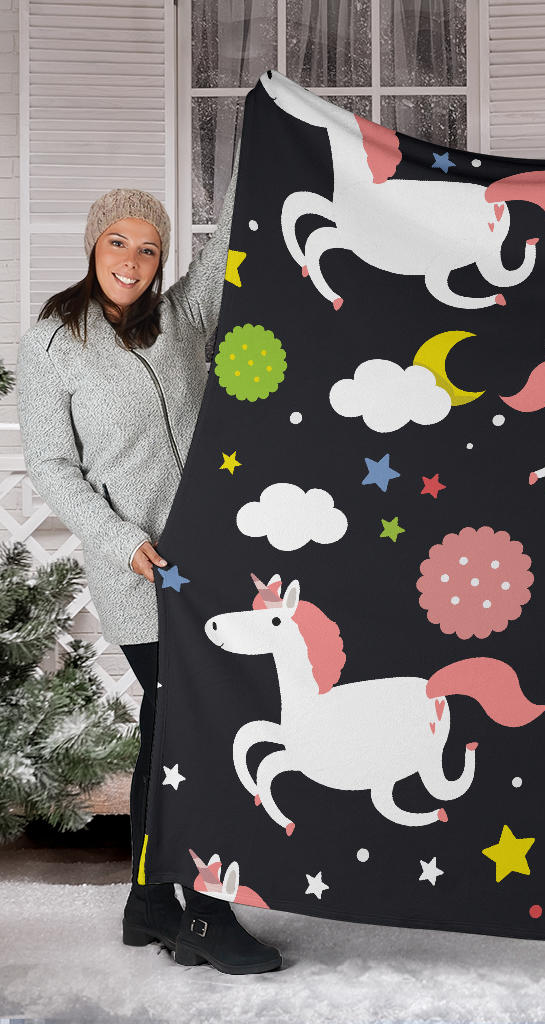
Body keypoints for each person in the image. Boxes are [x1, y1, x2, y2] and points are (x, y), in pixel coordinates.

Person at [16, 146, 284, 975]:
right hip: (139, 569)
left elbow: (230, 240)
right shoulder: (53, 343)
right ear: (93, 246)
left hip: (211, 556)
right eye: (118, 243)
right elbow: (52, 466)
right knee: (191, 732)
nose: (132, 261)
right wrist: (121, 540)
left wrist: (264, 139)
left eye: (148, 248)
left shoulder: (182, 317)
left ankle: (148, 903)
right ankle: (202, 910)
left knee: (172, 732)